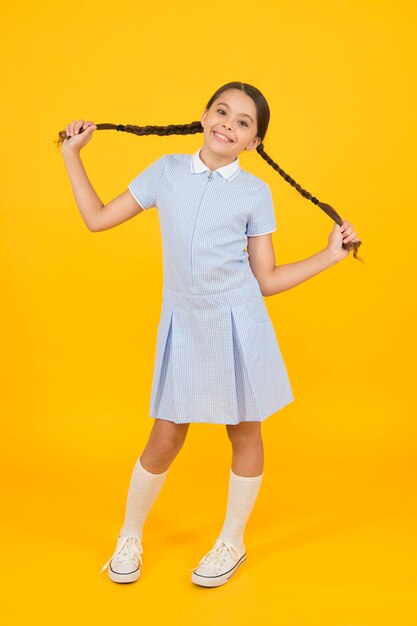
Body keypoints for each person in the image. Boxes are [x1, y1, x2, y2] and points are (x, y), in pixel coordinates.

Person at [60, 81, 360, 588]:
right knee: (165, 436)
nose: (229, 123)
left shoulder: (254, 192)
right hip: (185, 322)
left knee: (244, 433)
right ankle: (128, 537)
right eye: (223, 111)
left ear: (254, 143)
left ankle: (232, 542)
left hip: (238, 322)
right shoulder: (167, 171)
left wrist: (330, 256)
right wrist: (72, 155)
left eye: (244, 122)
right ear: (203, 115)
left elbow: (264, 281)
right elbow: (95, 219)